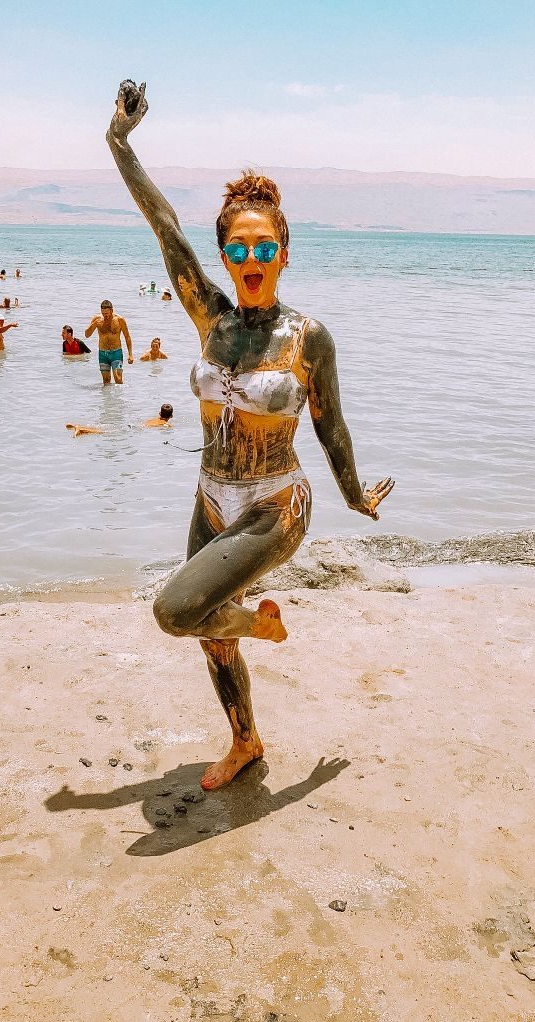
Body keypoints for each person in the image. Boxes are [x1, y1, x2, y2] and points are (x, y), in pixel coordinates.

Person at [107, 80, 394, 791]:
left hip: (276, 503)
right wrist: (119, 142)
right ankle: (246, 741)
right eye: (237, 252)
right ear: (226, 259)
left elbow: (331, 423)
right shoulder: (210, 318)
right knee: (210, 635)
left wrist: (355, 496)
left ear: (286, 253)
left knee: (177, 611)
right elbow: (166, 227)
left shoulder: (308, 336)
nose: (251, 262)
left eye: (264, 249)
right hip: (211, 496)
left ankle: (259, 627)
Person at [85, 299, 134, 385]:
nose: (105, 316)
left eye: (107, 313)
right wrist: (94, 324)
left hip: (116, 353)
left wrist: (130, 354)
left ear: (112, 310)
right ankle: (107, 399)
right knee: (106, 382)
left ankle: (119, 398)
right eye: (103, 313)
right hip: (103, 353)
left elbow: (127, 337)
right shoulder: (97, 319)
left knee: (118, 379)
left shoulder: (119, 320)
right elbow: (87, 335)